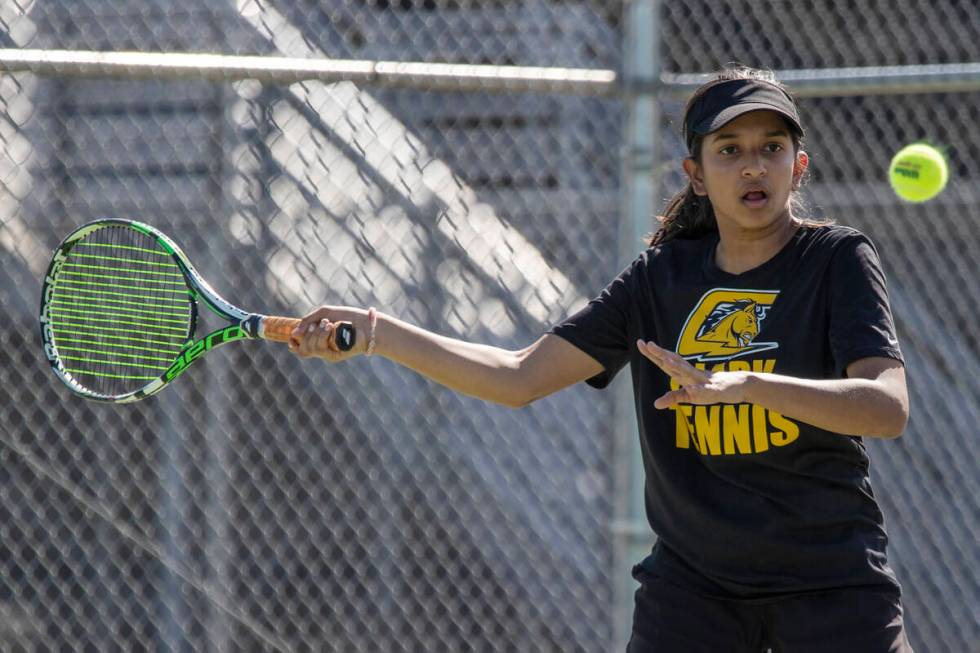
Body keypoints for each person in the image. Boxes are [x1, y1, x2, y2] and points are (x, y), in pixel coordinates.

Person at [287, 66, 913, 652]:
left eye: (770, 148)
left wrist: (751, 383)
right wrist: (375, 331)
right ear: (694, 174)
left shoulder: (836, 259)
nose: (753, 166)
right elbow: (517, 378)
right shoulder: (658, 281)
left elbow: (886, 408)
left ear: (797, 166)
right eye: (729, 150)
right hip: (694, 595)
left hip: (832, 582)